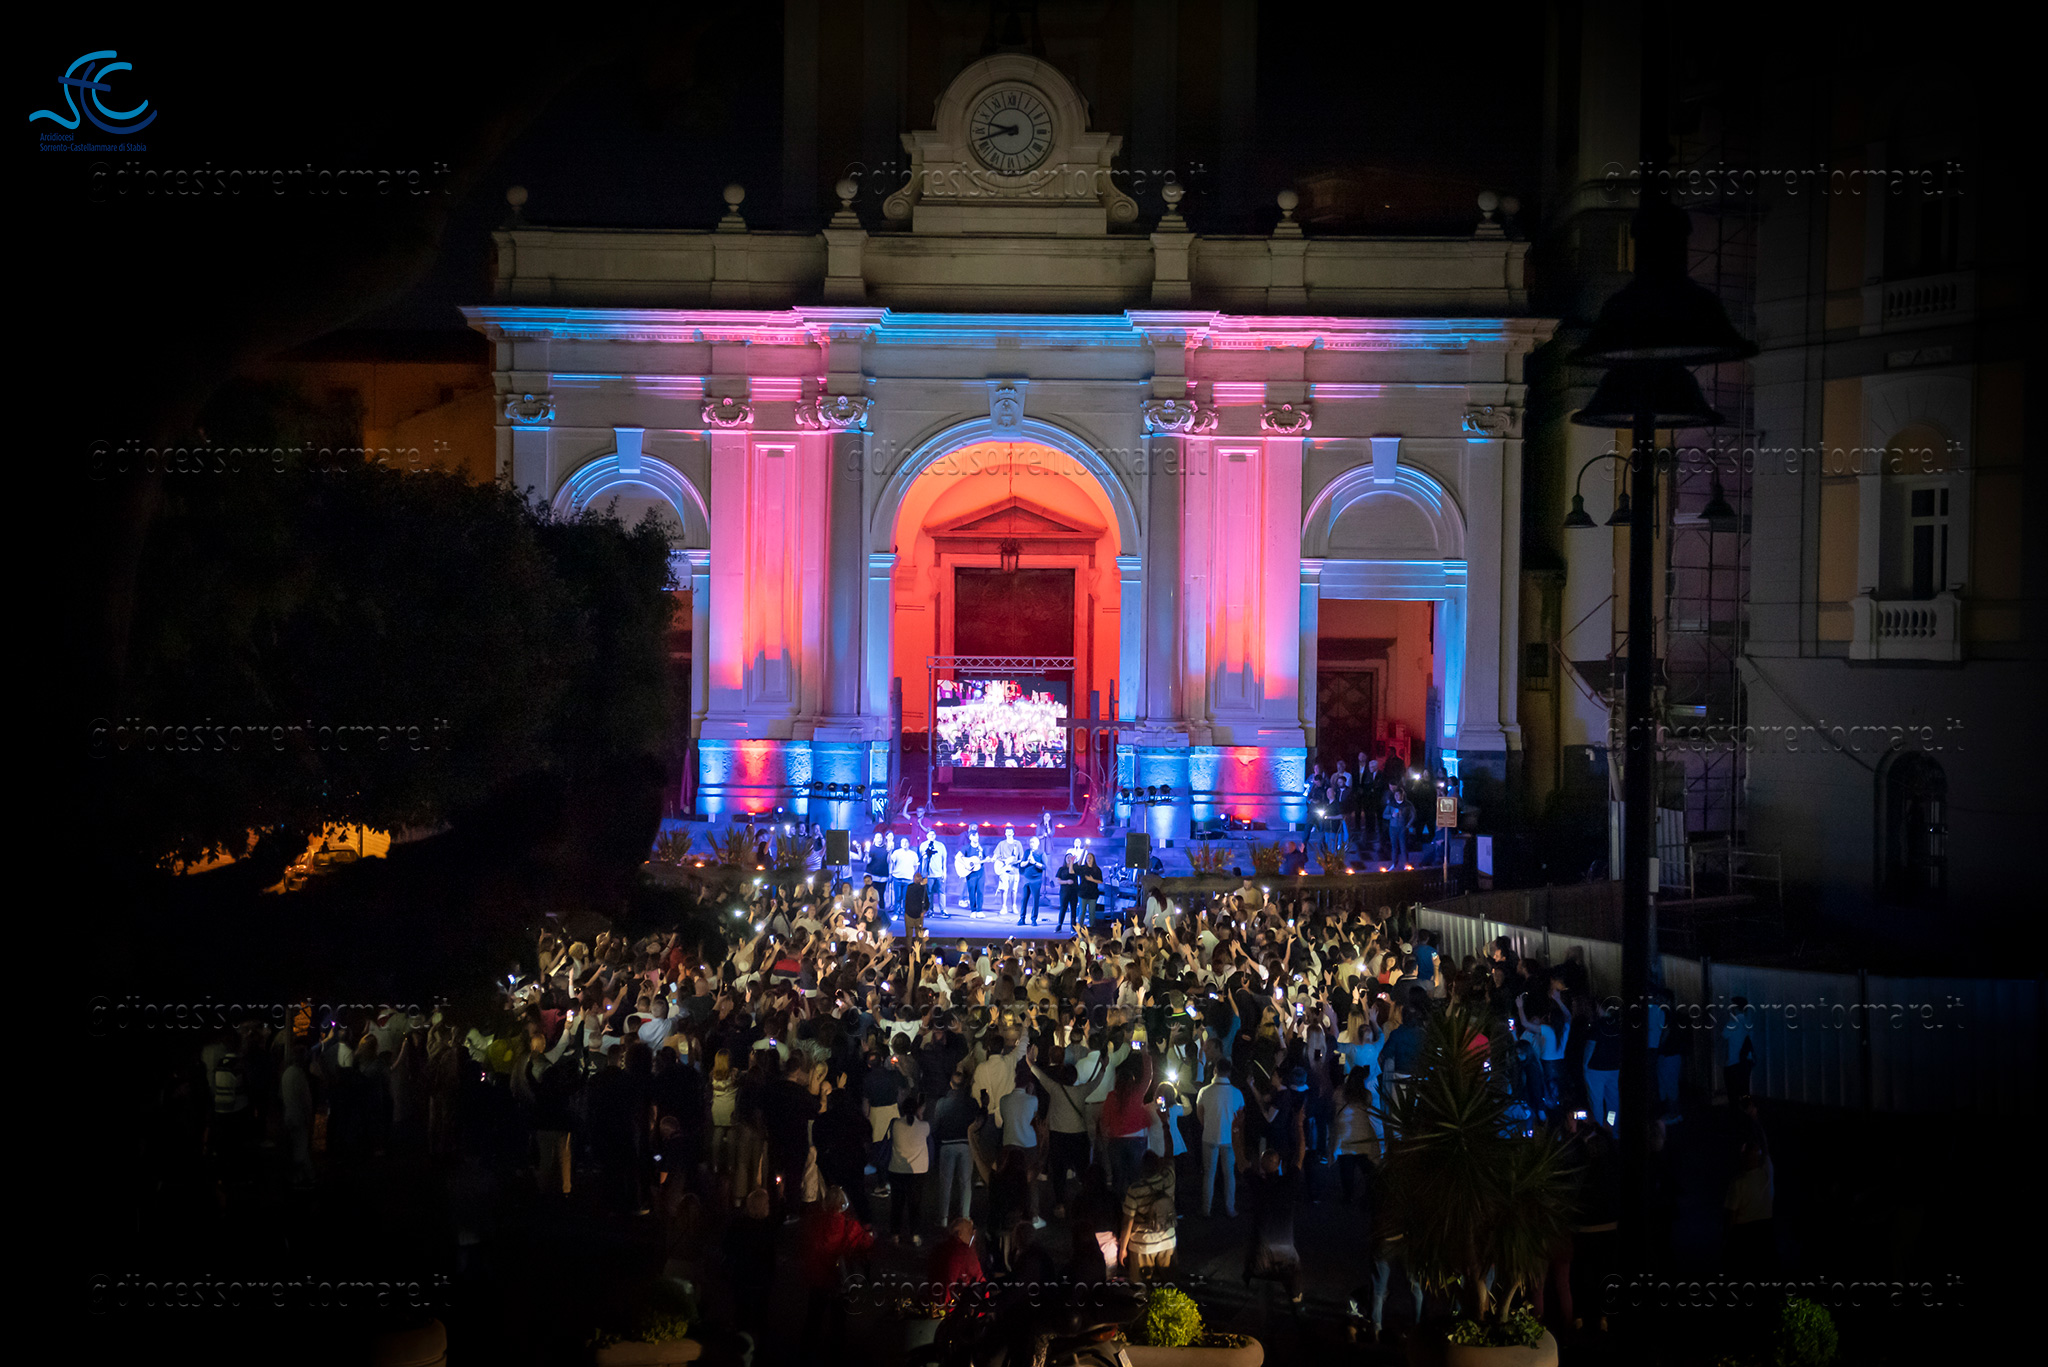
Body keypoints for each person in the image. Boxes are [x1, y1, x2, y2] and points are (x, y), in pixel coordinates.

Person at [800, 1184, 875, 1351]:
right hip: (841, 1279)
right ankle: (835, 1352)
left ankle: (806, 1350)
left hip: (819, 1279)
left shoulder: (815, 1223)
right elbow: (866, 1244)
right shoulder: (851, 1225)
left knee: (814, 1317)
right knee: (838, 1320)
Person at [1243, 1148, 1303, 1303]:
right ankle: (1296, 1303)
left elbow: (1240, 1161)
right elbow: (1299, 1158)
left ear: (1261, 1165)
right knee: (1293, 1286)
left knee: (1258, 1283)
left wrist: (1236, 1133)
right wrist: (1300, 1133)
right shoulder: (1288, 1184)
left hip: (1261, 1250)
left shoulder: (1256, 1184)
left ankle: (1255, 1298)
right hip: (1285, 1247)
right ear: (1279, 1164)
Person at [1119, 1149, 1178, 1280]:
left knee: (1140, 1286)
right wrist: (1167, 1135)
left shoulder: (1135, 1190)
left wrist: (1123, 1249)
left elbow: (1128, 1221)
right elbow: (1169, 1156)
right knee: (1169, 1284)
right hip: (1168, 1240)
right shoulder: (1169, 1179)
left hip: (1142, 1244)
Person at [1196, 1060, 1246, 1217]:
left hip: (1209, 1136)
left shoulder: (1204, 1091)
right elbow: (1240, 1117)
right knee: (1229, 1174)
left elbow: (1200, 1113)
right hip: (1230, 1139)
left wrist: (1207, 1125)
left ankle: (1206, 1209)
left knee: (1209, 1174)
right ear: (1229, 1072)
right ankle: (1230, 1208)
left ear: (1215, 1070)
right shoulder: (1237, 1093)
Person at [886, 1093, 930, 1246]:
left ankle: (895, 1235)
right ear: (917, 1109)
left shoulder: (895, 1124)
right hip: (918, 1171)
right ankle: (915, 1235)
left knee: (897, 1203)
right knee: (915, 1204)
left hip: (897, 1169)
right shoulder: (924, 1126)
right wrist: (920, 1116)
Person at [993, 826, 1025, 916]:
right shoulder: (1001, 844)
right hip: (1004, 869)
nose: (1009, 833)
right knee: (1004, 889)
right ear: (1005, 833)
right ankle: (1004, 907)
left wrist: (1016, 862)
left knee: (1014, 890)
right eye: (1007, 831)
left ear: (1013, 833)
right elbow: (996, 855)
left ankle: (1014, 906)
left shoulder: (1017, 844)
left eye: (1010, 831)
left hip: (1015, 870)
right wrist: (1001, 861)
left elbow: (1021, 857)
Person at [1019, 838, 1046, 926]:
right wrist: (1028, 861)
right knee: (1024, 899)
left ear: (1038, 843)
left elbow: (1044, 866)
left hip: (1036, 880)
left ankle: (1033, 919)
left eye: (1033, 842)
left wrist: (1034, 862)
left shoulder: (1041, 853)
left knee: (1035, 900)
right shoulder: (1027, 852)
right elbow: (1021, 864)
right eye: (1030, 842)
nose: (1031, 844)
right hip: (1026, 879)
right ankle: (1022, 918)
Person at [889, 837, 919, 917]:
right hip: (897, 877)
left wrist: (911, 873)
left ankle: (906, 913)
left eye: (906, 842)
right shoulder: (896, 852)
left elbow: (916, 866)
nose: (904, 844)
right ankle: (896, 913)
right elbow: (890, 861)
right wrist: (889, 851)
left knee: (906, 898)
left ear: (909, 843)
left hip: (908, 879)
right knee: (897, 897)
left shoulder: (913, 854)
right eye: (902, 842)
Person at [958, 832, 987, 914]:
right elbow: (958, 857)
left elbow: (987, 857)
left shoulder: (981, 848)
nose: (976, 837)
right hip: (970, 872)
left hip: (980, 872)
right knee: (972, 891)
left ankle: (980, 910)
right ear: (970, 837)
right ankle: (973, 910)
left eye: (977, 835)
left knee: (980, 891)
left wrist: (989, 859)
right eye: (974, 836)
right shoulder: (966, 847)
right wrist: (966, 865)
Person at [902, 868, 931, 942]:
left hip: (919, 916)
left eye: (919, 878)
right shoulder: (910, 887)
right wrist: (921, 884)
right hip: (909, 915)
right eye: (916, 878)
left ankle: (918, 948)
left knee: (919, 936)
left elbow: (927, 902)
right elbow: (913, 892)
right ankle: (908, 948)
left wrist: (924, 911)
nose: (918, 879)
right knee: (909, 936)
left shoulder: (923, 889)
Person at [1055, 853, 1081, 932]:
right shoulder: (1061, 869)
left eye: (1070, 857)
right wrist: (1066, 882)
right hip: (1064, 891)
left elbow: (1075, 868)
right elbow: (1058, 881)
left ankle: (1073, 926)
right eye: (1068, 857)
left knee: (1073, 908)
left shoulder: (1075, 868)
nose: (1069, 859)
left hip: (1074, 891)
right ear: (1065, 859)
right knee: (1063, 908)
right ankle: (1059, 924)